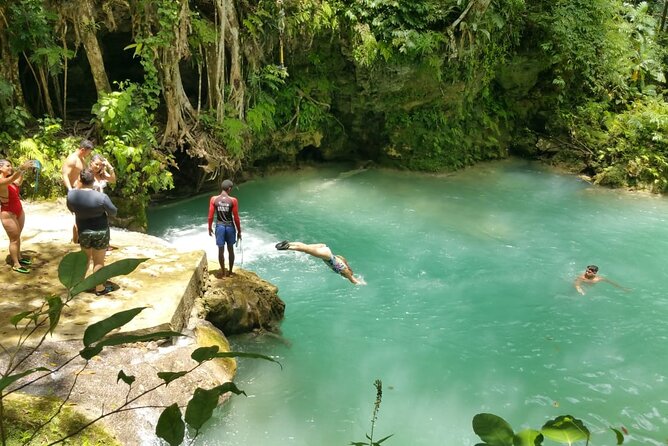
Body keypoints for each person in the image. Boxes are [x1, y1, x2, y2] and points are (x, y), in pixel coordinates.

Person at [66, 168, 118, 295]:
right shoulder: (101, 197)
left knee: (84, 259)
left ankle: (81, 285)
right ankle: (100, 288)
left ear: (80, 179)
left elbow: (71, 208)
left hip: (83, 231)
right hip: (100, 231)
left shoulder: (72, 195)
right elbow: (113, 212)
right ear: (93, 180)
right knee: (99, 261)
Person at [0, 159, 36, 273]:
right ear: (0, 168)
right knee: (14, 239)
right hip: (8, 213)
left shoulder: (10, 180)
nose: (10, 168)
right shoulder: (2, 181)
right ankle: (16, 264)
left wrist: (23, 171)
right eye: (8, 166)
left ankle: (19, 257)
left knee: (17, 236)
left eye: (11, 166)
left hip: (18, 210)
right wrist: (21, 168)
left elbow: (18, 182)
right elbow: (12, 179)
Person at [275, 241, 365, 285]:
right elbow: (354, 281)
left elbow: (353, 277)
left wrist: (357, 278)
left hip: (325, 249)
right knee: (306, 250)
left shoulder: (344, 265)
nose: (344, 276)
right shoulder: (345, 271)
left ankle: (287, 243)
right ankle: (287, 247)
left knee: (306, 246)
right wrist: (362, 283)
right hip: (327, 256)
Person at [207, 179, 242, 277]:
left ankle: (223, 273)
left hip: (220, 226)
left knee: (220, 250)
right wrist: (239, 231)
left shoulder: (214, 199)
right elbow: (236, 218)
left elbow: (210, 216)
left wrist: (209, 228)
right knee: (230, 250)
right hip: (230, 226)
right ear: (229, 189)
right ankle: (230, 272)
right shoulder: (233, 200)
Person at [63, 139, 94, 243]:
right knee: (78, 217)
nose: (89, 154)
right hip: (75, 191)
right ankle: (75, 241)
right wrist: (70, 190)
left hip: (82, 191)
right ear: (82, 149)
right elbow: (65, 175)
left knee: (83, 216)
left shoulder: (81, 159)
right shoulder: (72, 159)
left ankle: (79, 239)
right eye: (88, 152)